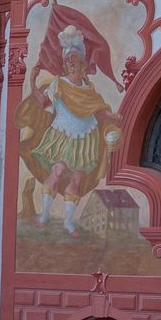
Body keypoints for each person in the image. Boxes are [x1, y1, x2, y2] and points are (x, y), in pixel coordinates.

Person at [25, 25, 122, 234]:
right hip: (62, 134)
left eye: (74, 58)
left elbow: (98, 111)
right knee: (58, 170)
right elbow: (42, 102)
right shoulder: (58, 84)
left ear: (83, 63)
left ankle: (68, 222)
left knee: (77, 179)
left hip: (86, 137)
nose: (70, 61)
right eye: (68, 58)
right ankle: (44, 215)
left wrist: (112, 116)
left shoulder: (89, 90)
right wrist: (32, 80)